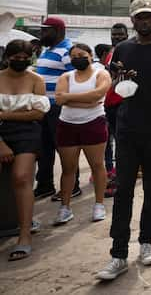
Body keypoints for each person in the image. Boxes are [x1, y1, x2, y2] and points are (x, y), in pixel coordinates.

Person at [96, 0, 151, 281]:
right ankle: (118, 254)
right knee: (122, 192)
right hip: (127, 129)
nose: (144, 21)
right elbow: (118, 89)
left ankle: (147, 243)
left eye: (149, 16)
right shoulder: (123, 49)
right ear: (132, 20)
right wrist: (121, 77)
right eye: (139, 17)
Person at [0, 40, 49, 261]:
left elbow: (38, 115)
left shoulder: (35, 80)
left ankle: (25, 234)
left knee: (21, 178)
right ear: (7, 56)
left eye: (24, 58)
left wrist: (3, 115)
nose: (20, 61)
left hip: (27, 134)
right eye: (16, 57)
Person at [53, 44, 112, 225]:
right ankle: (65, 208)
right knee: (68, 168)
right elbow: (59, 99)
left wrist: (70, 99)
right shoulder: (66, 76)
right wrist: (88, 100)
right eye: (74, 56)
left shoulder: (101, 74)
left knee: (97, 165)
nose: (78, 58)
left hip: (93, 123)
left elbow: (99, 95)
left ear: (90, 55)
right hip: (67, 125)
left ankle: (99, 205)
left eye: (82, 54)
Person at [34, 17, 80, 201]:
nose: (42, 34)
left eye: (46, 30)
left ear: (58, 31)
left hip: (59, 109)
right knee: (43, 148)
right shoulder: (47, 50)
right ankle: (45, 185)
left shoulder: (68, 50)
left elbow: (75, 77)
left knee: (64, 149)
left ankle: (72, 186)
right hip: (43, 108)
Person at [102, 23, 129, 196]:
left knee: (122, 143)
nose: (117, 37)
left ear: (127, 35)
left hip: (123, 103)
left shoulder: (129, 52)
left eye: (120, 34)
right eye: (114, 34)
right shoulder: (109, 54)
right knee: (108, 140)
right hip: (108, 104)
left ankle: (121, 179)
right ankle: (112, 173)